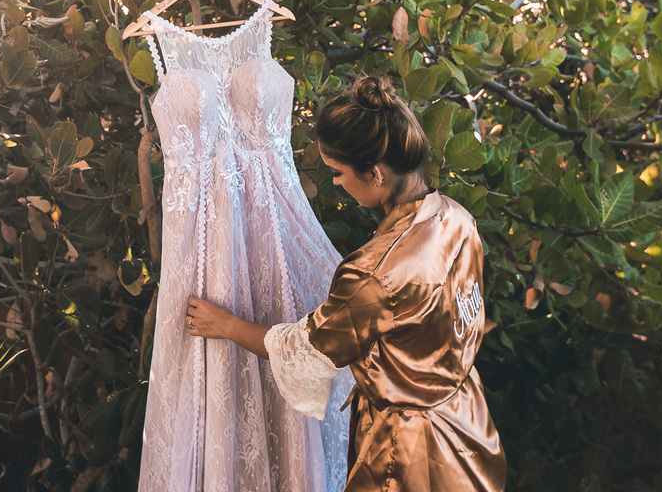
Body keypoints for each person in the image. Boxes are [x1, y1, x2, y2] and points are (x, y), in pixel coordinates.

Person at [185, 75, 506, 491]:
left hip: (410, 454)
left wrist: (226, 325)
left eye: (337, 173)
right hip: (467, 423)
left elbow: (305, 352)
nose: (335, 183)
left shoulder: (373, 275)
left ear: (374, 173)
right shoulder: (458, 218)